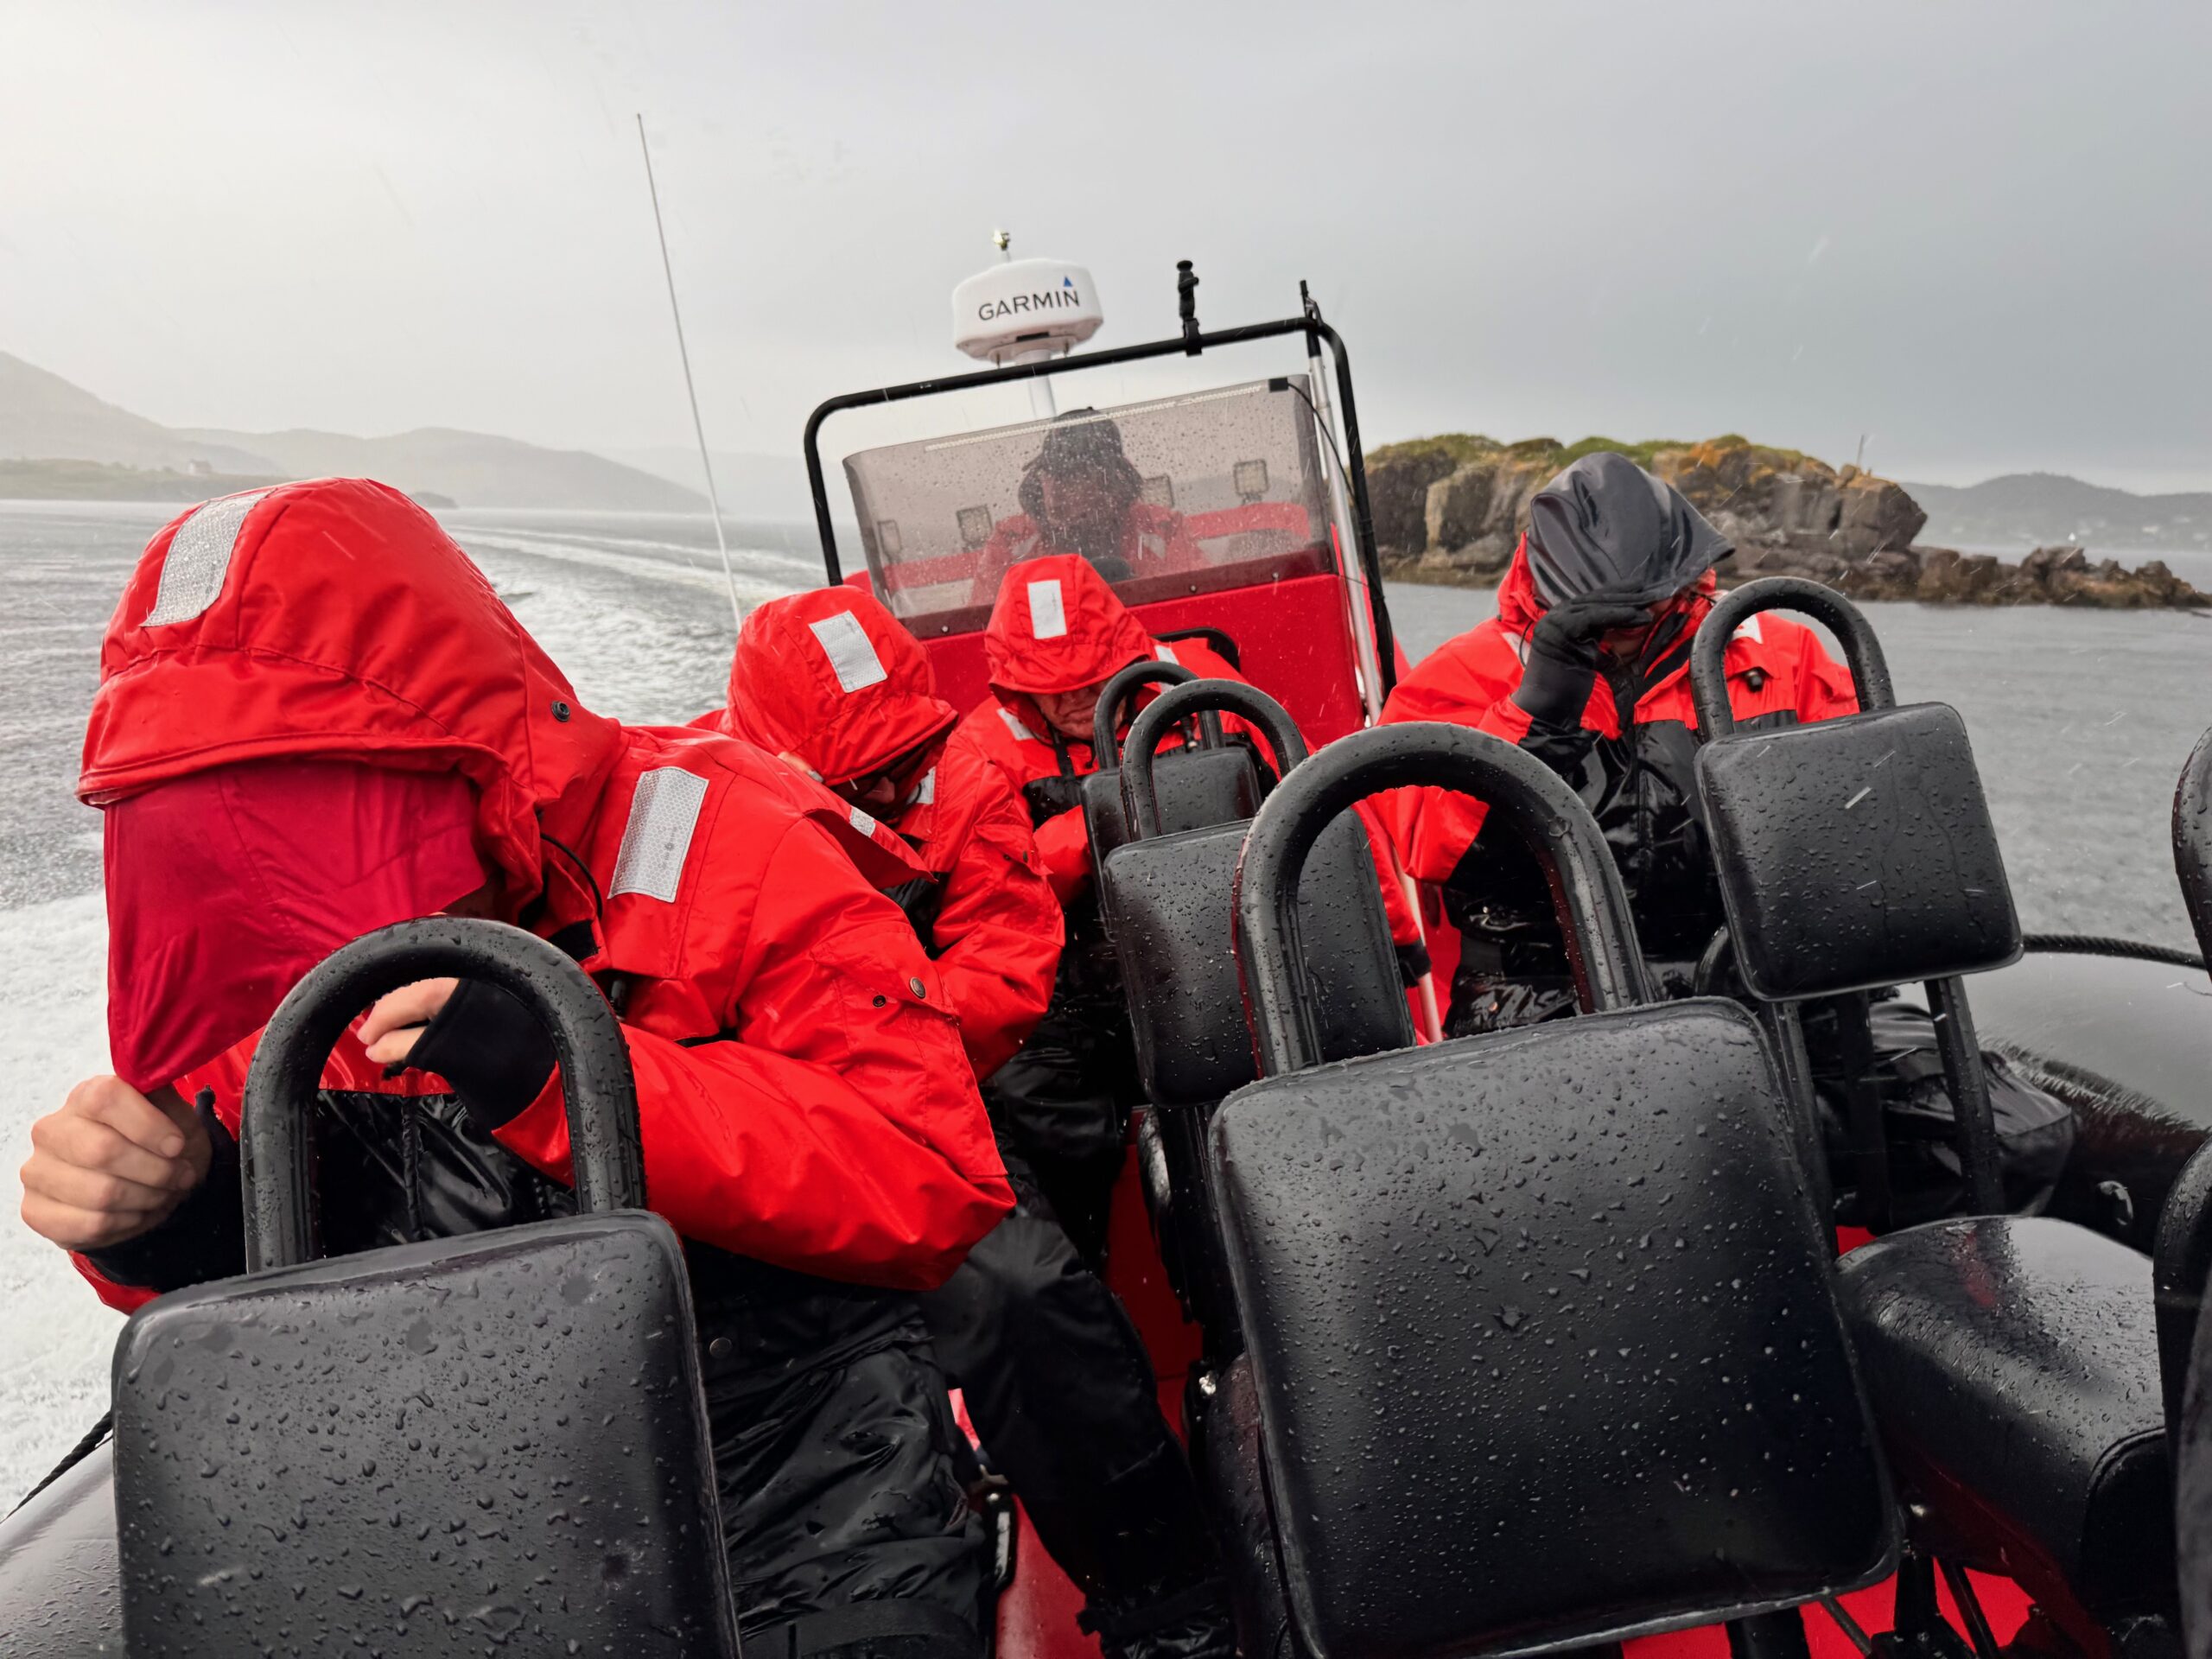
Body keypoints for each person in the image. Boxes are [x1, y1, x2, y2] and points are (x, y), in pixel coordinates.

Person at [17, 479, 1015, 1659]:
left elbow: (930, 1179)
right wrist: (157, 1222)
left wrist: (565, 1074)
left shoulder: (737, 845)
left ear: (456, 754)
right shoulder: (285, 952)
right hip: (450, 1514)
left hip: (795, 1481)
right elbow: (250, 1261)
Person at [712, 587, 1236, 1659]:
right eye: (860, 776)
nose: (891, 788)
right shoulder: (712, 815)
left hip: (914, 1093)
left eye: (903, 759)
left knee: (1034, 1297)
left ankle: (1169, 1603)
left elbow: (999, 977)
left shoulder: (966, 777)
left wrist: (853, 1025)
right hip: (754, 1121)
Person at [1378, 450, 2073, 1224]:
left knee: (2015, 1136)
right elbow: (1428, 848)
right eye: (1599, 619)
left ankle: (1892, 1305)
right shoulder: (1457, 681)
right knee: (1632, 1170)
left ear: (1683, 585)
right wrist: (1539, 716)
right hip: (1545, 997)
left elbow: (1875, 830)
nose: (1619, 637)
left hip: (1765, 986)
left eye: (1636, 615)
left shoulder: (1783, 657)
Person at [967, 415, 1203, 604]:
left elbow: (1199, 604)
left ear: (1110, 482)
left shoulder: (1163, 529)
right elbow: (985, 630)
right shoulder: (1011, 542)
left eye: (1073, 475)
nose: (1054, 491)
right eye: (1048, 473)